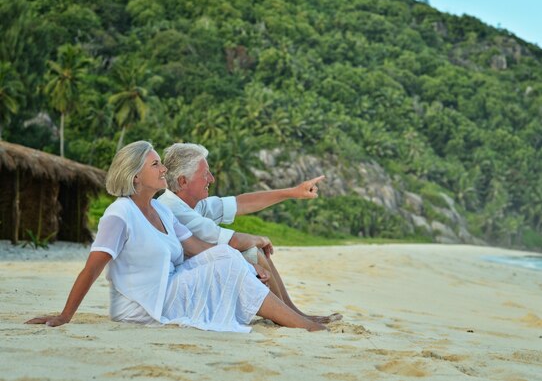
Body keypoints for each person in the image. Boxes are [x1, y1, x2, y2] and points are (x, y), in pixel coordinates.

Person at [26, 141, 325, 332]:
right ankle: (303, 324)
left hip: (169, 289)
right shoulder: (120, 215)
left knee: (228, 258)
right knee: (231, 261)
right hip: (146, 305)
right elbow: (92, 268)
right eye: (155, 164)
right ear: (135, 177)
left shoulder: (161, 209)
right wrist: (65, 315)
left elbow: (198, 246)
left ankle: (297, 319)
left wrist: (247, 265)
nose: (163, 169)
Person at [158, 143, 341, 324]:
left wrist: (293, 192)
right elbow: (232, 242)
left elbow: (241, 203)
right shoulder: (173, 208)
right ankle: (289, 317)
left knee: (254, 251)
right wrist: (259, 239)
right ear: (183, 181)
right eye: (205, 174)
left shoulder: (189, 202)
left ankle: (294, 313)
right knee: (253, 252)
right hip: (178, 287)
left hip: (194, 270)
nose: (211, 179)